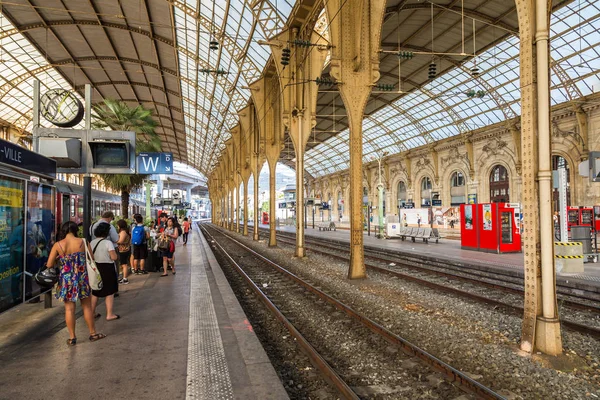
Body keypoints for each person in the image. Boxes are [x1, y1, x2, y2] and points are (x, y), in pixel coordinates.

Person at [44, 221, 106, 345]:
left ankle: (72, 338)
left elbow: (49, 264)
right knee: (87, 307)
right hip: (82, 278)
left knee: (69, 309)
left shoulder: (58, 245)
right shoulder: (83, 242)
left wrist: (59, 259)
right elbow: (91, 259)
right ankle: (93, 333)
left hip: (66, 280)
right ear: (75, 230)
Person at [90, 223, 120, 321]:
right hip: (107, 268)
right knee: (109, 292)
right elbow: (114, 257)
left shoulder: (92, 242)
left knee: (95, 291)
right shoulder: (108, 243)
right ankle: (109, 314)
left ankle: (92, 312)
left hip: (96, 268)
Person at [116, 219, 131, 285]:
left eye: (118, 225)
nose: (117, 227)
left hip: (123, 250)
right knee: (124, 264)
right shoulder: (126, 231)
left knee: (124, 265)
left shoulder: (123, 232)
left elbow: (120, 241)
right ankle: (124, 278)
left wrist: (114, 241)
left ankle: (125, 279)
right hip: (126, 249)